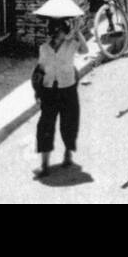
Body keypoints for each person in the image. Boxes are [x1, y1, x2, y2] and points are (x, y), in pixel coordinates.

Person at [35, 16, 88, 176]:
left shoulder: (70, 45)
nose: (59, 36)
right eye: (56, 33)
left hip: (68, 88)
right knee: (45, 126)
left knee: (69, 122)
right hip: (49, 90)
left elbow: (85, 50)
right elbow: (40, 70)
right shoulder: (44, 49)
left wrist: (77, 32)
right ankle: (44, 164)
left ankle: (68, 153)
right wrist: (37, 92)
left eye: (62, 32)